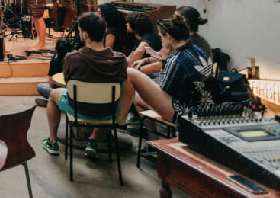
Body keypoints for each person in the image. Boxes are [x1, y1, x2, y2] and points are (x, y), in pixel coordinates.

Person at [41, 13, 128, 158]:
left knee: (52, 95)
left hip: (78, 108)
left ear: (85, 34)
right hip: (109, 110)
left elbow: (69, 83)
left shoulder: (72, 58)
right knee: (105, 100)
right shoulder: (120, 59)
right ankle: (92, 140)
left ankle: (52, 141)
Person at [120, 15, 213, 123]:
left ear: (168, 36)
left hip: (184, 111)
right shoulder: (199, 51)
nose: (160, 39)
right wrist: (147, 61)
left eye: (161, 36)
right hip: (204, 104)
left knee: (136, 92)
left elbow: (164, 90)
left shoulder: (177, 59)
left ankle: (124, 121)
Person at [35, 37, 74, 106]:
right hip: (73, 93)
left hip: (59, 92)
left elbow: (50, 83)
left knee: (40, 86)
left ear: (56, 49)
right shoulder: (76, 61)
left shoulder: (54, 62)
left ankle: (53, 101)